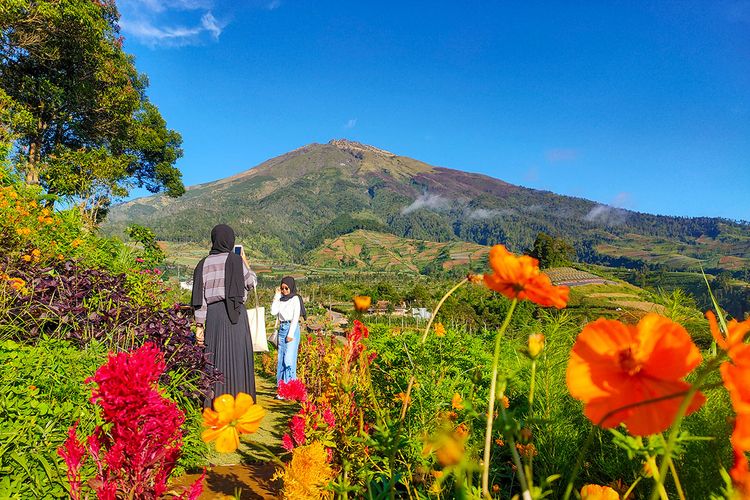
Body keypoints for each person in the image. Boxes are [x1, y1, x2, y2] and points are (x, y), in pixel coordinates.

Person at [191, 224, 258, 407]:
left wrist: (199, 327)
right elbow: (251, 283)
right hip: (235, 316)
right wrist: (245, 262)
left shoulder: (202, 264)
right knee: (236, 359)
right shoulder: (236, 261)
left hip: (213, 317)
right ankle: (238, 405)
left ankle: (214, 405)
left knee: (213, 360)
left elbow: (200, 300)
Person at [271, 276, 307, 394]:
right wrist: (276, 296)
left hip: (291, 328)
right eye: (282, 288)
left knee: (289, 360)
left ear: (291, 287)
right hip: (282, 328)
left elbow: (296, 316)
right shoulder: (280, 299)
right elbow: (273, 312)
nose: (285, 290)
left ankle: (291, 389)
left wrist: (290, 334)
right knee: (281, 359)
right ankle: (282, 389)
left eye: (287, 288)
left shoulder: (295, 299)